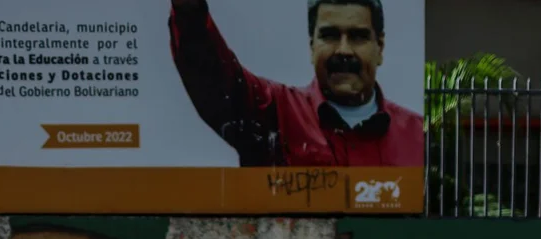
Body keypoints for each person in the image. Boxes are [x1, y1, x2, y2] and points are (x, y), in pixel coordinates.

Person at [168, 0, 425, 167]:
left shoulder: (418, 137)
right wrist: (188, 10)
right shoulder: (273, 113)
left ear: (379, 47)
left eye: (358, 37)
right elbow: (213, 78)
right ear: (312, 46)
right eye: (330, 35)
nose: (344, 50)